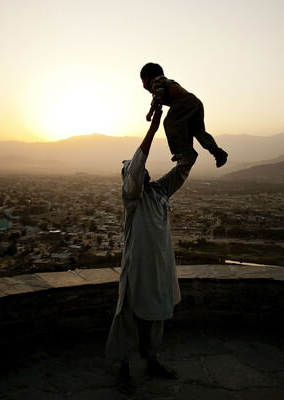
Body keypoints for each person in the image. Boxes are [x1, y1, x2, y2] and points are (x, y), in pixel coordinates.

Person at [105, 108, 197, 394]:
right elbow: (135, 167)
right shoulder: (131, 197)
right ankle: (123, 369)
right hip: (137, 268)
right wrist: (153, 129)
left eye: (141, 168)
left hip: (159, 268)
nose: (139, 170)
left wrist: (184, 132)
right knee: (128, 318)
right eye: (133, 168)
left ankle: (153, 361)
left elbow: (183, 168)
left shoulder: (159, 191)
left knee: (156, 318)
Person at [141, 62, 228, 168]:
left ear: (147, 77)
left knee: (170, 123)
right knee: (198, 131)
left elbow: (158, 95)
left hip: (183, 102)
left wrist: (150, 112)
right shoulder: (164, 82)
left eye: (142, 81)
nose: (143, 85)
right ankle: (218, 152)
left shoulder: (156, 82)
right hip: (195, 102)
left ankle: (182, 151)